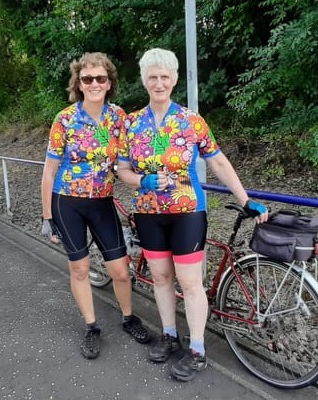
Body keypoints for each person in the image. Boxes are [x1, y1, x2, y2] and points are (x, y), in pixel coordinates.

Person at [117, 48, 268, 381]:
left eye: (165, 76)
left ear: (174, 80)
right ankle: (170, 335)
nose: (159, 82)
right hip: (148, 212)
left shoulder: (191, 120)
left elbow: (217, 161)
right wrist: (143, 180)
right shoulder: (131, 123)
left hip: (187, 211)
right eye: (153, 76)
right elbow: (123, 171)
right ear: (144, 80)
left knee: (189, 282)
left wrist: (246, 199)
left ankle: (197, 349)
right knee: (160, 277)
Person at [41, 52, 150, 360]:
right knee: (80, 267)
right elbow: (49, 171)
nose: (94, 84)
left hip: (102, 200)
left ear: (109, 82)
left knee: (120, 269)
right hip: (68, 202)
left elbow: (132, 155)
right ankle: (92, 327)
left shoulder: (118, 117)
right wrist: (47, 216)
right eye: (87, 79)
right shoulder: (64, 119)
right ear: (79, 83)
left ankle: (129, 318)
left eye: (100, 78)